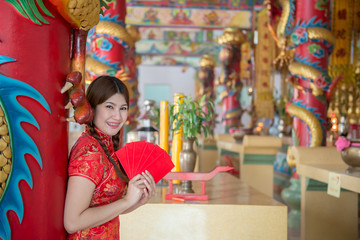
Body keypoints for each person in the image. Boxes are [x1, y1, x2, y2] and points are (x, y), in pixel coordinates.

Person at [64, 76, 156, 239]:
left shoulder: (106, 146)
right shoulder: (90, 151)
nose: (118, 116)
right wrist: (127, 201)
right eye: (109, 106)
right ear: (93, 107)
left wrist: (137, 201)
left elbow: (106, 209)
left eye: (123, 108)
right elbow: (72, 222)